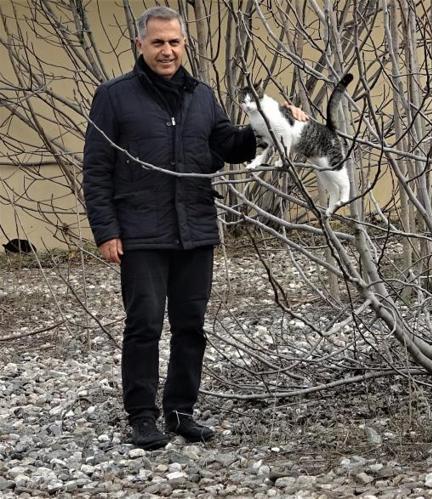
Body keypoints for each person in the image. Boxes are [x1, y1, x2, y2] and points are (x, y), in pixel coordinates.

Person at [83, 5, 307, 450]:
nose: (167, 51)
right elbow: (96, 168)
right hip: (141, 231)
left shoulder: (201, 96)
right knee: (144, 324)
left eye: (174, 42)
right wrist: (107, 231)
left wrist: (270, 125)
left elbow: (228, 146)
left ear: (184, 45)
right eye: (158, 42)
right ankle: (143, 416)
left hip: (195, 229)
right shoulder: (114, 96)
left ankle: (181, 411)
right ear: (140, 45)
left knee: (191, 325)